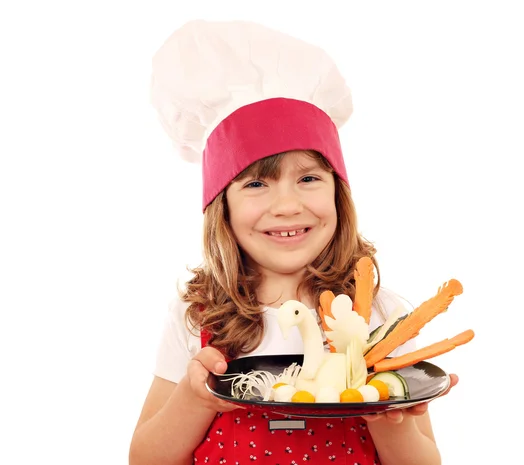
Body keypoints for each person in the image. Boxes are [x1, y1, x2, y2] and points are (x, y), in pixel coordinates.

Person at [129, 19, 458, 465]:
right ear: (220, 207)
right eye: (256, 185)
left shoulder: (380, 316)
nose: (286, 206)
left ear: (338, 193)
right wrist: (196, 399)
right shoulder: (197, 317)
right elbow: (145, 459)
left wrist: (386, 414)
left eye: (308, 178)